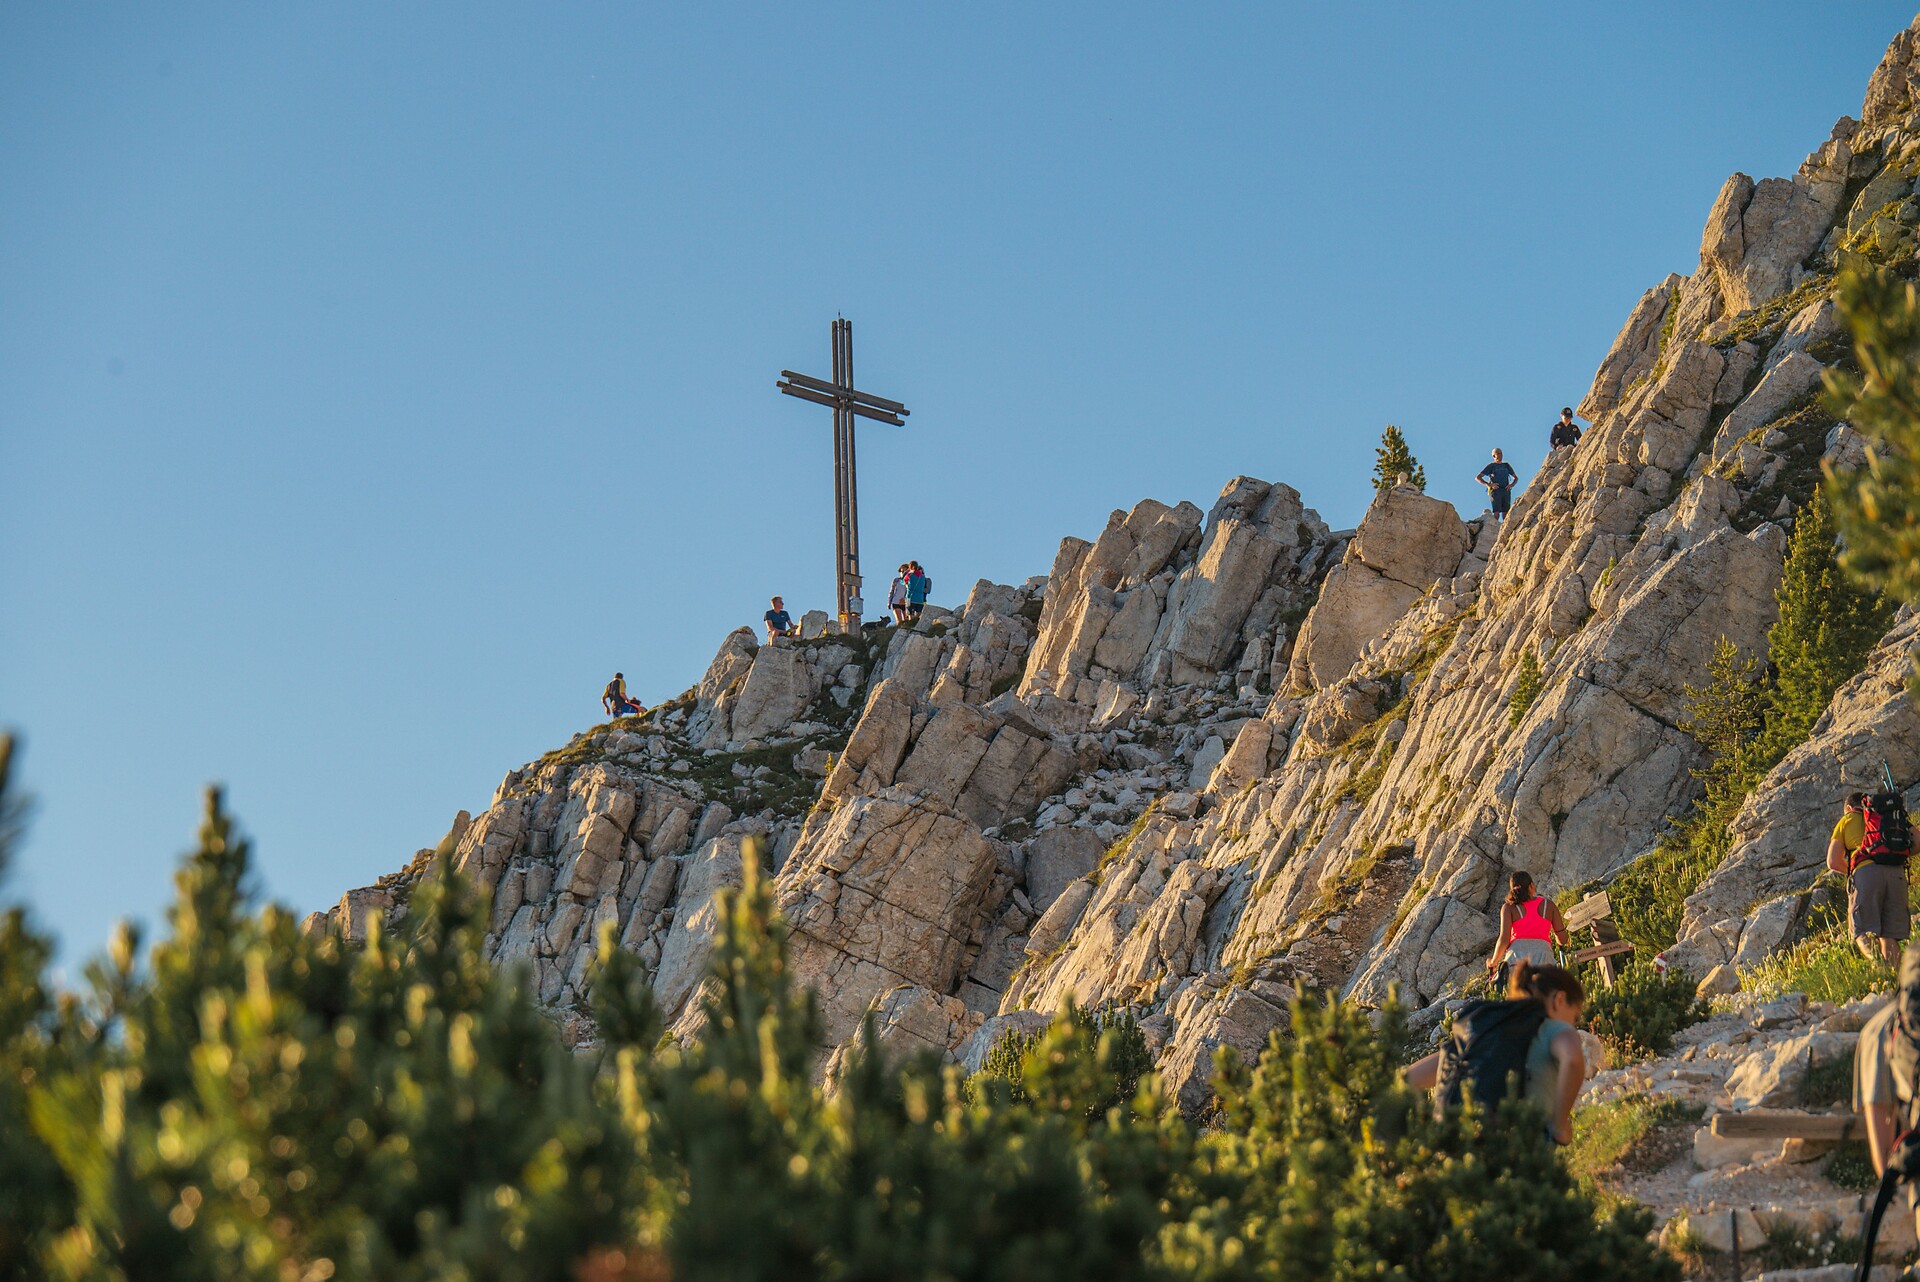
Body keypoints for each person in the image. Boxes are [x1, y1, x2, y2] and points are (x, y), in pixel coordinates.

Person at [1406, 960, 1588, 1145]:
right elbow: (1572, 1058)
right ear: (1559, 1000)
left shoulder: (1489, 1031)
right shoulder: (1550, 1027)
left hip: (1458, 1147)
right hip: (1519, 1150)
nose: (1573, 1023)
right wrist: (1559, 1125)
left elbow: (1410, 1078)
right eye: (1575, 1016)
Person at [1829, 790, 1910, 963]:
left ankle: (1879, 966)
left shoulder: (1847, 820)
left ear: (1850, 808)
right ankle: (1897, 980)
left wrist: (1854, 871)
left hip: (1866, 874)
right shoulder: (1890, 816)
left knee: (1862, 932)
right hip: (1896, 874)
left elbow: (1833, 861)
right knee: (1889, 935)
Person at [1486, 870, 1570, 982]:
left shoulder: (1508, 908)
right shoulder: (1548, 906)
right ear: (1531, 886)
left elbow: (1504, 940)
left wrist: (1493, 962)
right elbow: (1562, 939)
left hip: (1516, 958)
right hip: (1543, 956)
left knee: (1518, 996)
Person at [1476, 449, 1520, 522]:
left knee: (1506, 513)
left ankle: (1504, 529)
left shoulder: (1506, 465)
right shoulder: (1492, 466)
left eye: (1501, 453)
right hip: (1496, 491)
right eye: (1498, 453)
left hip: (1506, 490)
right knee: (1496, 513)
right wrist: (1489, 484)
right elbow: (1478, 477)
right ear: (1494, 456)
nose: (1500, 455)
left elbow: (1515, 478)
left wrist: (1511, 485)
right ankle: (1494, 528)